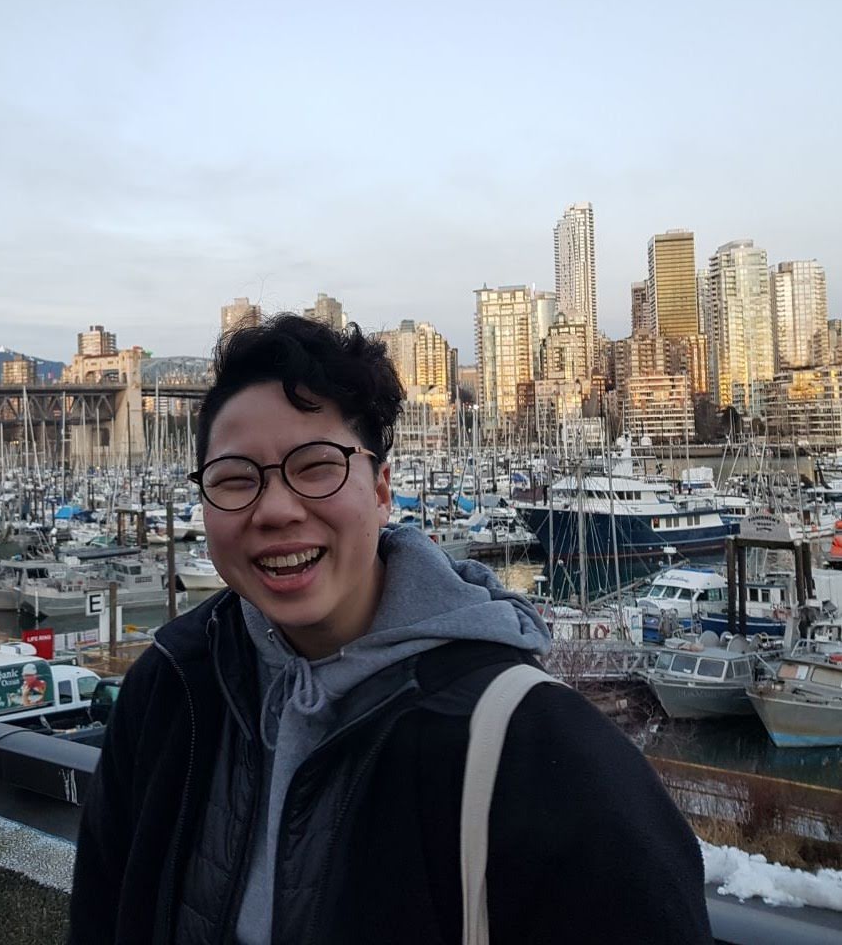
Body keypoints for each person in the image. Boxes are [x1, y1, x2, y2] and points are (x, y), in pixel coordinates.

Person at [69, 314, 712, 945]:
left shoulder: (542, 751)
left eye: (316, 466)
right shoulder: (169, 692)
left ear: (380, 490)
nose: (275, 510)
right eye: (235, 480)